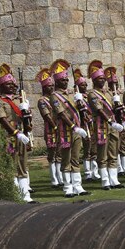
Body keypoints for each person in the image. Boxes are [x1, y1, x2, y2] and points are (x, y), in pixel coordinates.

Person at [0, 64, 33, 202]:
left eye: (12, 83)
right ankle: (15, 194)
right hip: (8, 137)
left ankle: (26, 195)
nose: (11, 86)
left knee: (23, 163)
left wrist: (26, 110)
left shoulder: (19, 99)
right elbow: (2, 119)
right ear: (2, 85)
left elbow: (26, 118)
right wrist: (16, 133)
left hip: (22, 135)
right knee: (11, 164)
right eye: (8, 84)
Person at [49, 59, 88, 197]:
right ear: (57, 82)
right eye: (63, 80)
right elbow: (61, 113)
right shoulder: (54, 95)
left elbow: (80, 111)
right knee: (66, 158)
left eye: (66, 79)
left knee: (76, 157)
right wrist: (73, 126)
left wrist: (80, 101)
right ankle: (67, 187)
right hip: (65, 130)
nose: (65, 82)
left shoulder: (72, 93)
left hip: (77, 129)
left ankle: (77, 186)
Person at [87, 60, 124, 189]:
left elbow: (114, 109)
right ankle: (105, 180)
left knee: (113, 152)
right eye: (99, 79)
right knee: (102, 155)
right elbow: (99, 109)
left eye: (103, 78)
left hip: (113, 125)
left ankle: (114, 180)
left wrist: (117, 105)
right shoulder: (92, 93)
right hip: (101, 125)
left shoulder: (109, 93)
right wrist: (110, 121)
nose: (102, 81)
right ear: (94, 80)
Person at [35, 67, 62, 187]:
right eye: (49, 86)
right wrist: (55, 127)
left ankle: (60, 177)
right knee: (52, 154)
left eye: (52, 85)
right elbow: (46, 115)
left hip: (59, 128)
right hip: (51, 129)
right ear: (44, 87)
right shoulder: (42, 101)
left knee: (59, 153)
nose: (51, 88)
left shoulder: (55, 98)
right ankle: (53, 178)